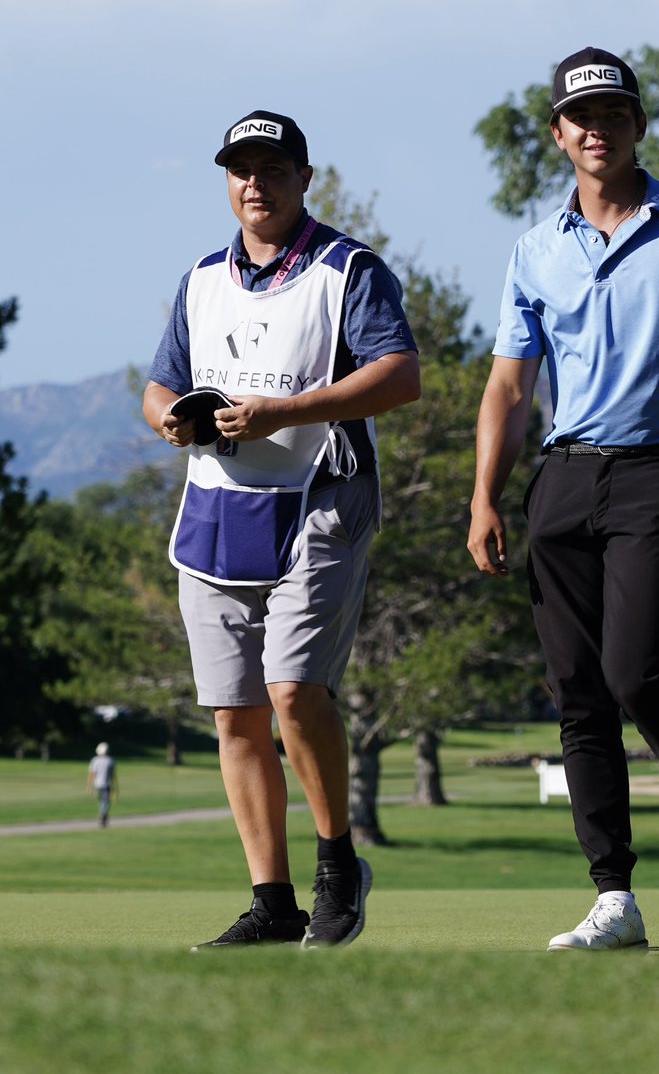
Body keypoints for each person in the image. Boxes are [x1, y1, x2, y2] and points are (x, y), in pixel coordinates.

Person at [468, 48, 659, 951]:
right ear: (559, 135)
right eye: (580, 116)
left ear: (638, 126)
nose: (598, 128)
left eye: (614, 113)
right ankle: (613, 896)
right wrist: (485, 498)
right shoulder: (533, 250)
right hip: (560, 481)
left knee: (638, 672)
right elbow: (510, 389)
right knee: (579, 695)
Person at [144, 110, 420, 950]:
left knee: (294, 691)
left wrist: (284, 412)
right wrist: (168, 420)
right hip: (219, 506)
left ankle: (339, 863)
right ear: (228, 181)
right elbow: (159, 387)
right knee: (234, 714)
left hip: (325, 491)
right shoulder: (201, 278)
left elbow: (399, 374)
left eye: (272, 169)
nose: (254, 184)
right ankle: (273, 900)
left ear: (306, 178)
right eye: (240, 170)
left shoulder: (348, 270)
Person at [86, 741, 118, 827]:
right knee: (106, 802)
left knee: (102, 802)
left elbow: (91, 775)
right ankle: (102, 816)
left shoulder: (95, 760)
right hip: (106, 785)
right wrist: (115, 787)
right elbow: (113, 776)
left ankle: (104, 818)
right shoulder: (110, 760)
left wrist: (90, 786)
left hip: (97, 785)